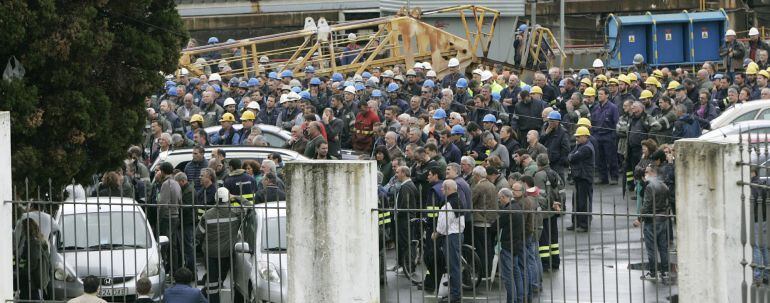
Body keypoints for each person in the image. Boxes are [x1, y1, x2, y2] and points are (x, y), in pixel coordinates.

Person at [196, 188, 245, 303]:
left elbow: (198, 234)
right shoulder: (236, 212)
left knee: (212, 282)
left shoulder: (207, 215)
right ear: (228, 198)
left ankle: (212, 299)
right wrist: (236, 197)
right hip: (227, 254)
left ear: (216, 199)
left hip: (210, 253)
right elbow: (249, 206)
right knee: (222, 278)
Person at [634, 165, 671, 283]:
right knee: (663, 247)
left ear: (654, 173)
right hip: (662, 219)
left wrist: (640, 219)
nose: (645, 174)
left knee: (651, 248)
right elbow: (668, 202)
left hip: (652, 220)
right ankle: (665, 271)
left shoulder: (650, 187)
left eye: (647, 172)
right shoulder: (664, 186)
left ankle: (654, 272)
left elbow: (646, 205)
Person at [432, 179, 465, 303]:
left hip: (452, 236)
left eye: (443, 188)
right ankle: (454, 292)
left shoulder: (450, 203)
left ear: (448, 189)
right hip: (458, 234)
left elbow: (444, 223)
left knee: (453, 267)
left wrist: (437, 233)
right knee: (455, 266)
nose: (441, 190)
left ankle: (455, 295)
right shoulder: (458, 200)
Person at [497, 186, 526, 303]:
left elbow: (496, 226)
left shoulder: (507, 210)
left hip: (507, 245)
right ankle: (519, 298)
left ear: (504, 197)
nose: (499, 201)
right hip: (516, 244)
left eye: (500, 199)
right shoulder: (518, 207)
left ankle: (512, 300)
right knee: (516, 273)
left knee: (508, 276)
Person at [470, 165, 499, 279]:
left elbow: (471, 201)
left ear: (477, 176)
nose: (473, 177)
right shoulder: (492, 185)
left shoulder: (479, 187)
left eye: (473, 175)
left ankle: (484, 272)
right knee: (489, 248)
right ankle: (490, 270)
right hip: (490, 220)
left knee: (481, 249)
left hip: (480, 220)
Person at [15, 218, 51, 301]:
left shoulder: (33, 242)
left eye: (22, 228)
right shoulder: (40, 240)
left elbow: (33, 262)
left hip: (31, 279)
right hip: (36, 277)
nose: (22, 230)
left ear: (26, 229)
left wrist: (22, 272)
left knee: (30, 297)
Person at [568, 126, 595, 232]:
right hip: (579, 177)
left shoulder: (586, 148)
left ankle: (583, 225)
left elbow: (573, 157)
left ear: (585, 136)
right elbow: (570, 155)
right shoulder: (580, 145)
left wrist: (571, 157)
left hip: (584, 178)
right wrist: (571, 156)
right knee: (576, 201)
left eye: (579, 137)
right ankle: (576, 223)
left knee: (583, 203)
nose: (577, 139)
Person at [393, 166, 419, 273]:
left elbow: (405, 205)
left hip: (405, 220)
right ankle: (406, 266)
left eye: (398, 172)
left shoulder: (406, 187)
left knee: (405, 243)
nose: (396, 174)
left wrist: (398, 213)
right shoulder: (407, 185)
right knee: (406, 243)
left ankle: (408, 267)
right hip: (406, 219)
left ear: (403, 173)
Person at [158, 162, 183, 273]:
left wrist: (159, 218)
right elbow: (180, 201)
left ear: (163, 171)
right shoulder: (176, 183)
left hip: (167, 217)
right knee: (173, 245)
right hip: (175, 216)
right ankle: (174, 270)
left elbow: (163, 204)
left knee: (164, 245)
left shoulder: (166, 184)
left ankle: (165, 269)